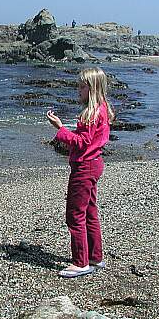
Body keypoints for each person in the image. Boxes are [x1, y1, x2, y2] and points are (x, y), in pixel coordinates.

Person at [46, 67, 115, 278]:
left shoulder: (92, 114)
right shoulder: (101, 109)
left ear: (93, 89)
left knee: (75, 215)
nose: (79, 90)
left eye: (82, 86)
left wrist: (60, 129)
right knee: (90, 212)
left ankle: (80, 262)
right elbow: (88, 139)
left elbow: (83, 143)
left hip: (85, 166)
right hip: (94, 163)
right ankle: (95, 256)